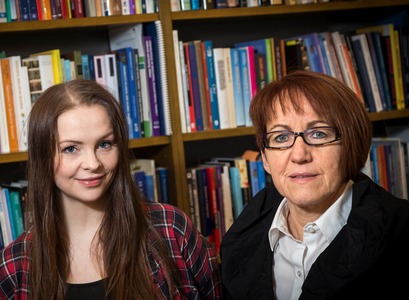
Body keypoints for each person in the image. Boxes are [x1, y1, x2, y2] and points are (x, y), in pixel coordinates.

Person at [0, 79, 221, 299]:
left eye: (104, 144)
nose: (93, 163)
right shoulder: (14, 265)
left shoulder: (172, 229)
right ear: (43, 157)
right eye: (70, 149)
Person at [220, 70, 409, 299]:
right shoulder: (242, 235)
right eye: (281, 137)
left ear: (352, 146)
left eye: (319, 133)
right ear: (265, 159)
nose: (299, 155)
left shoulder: (400, 231)